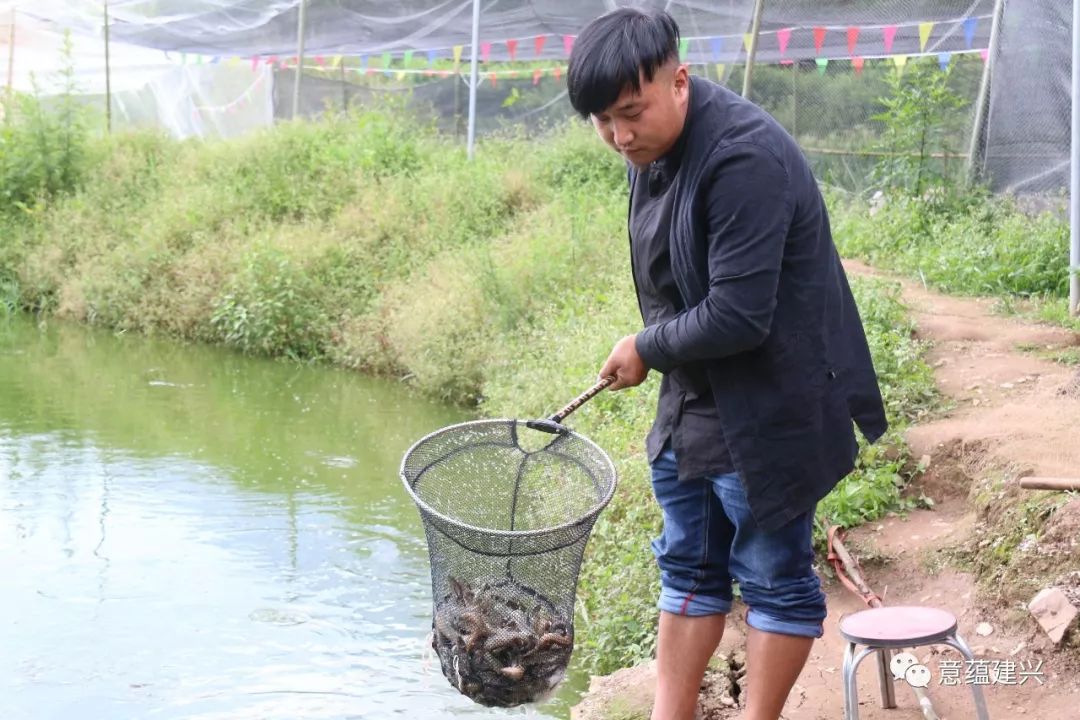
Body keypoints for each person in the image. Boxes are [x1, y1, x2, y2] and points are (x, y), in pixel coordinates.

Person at [566, 8, 888, 720]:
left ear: (678, 80)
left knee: (774, 579)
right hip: (696, 403)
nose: (619, 136)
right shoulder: (649, 150)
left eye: (630, 113)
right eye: (602, 121)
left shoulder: (743, 159)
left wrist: (645, 347)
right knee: (687, 570)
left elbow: (741, 313)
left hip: (773, 405)